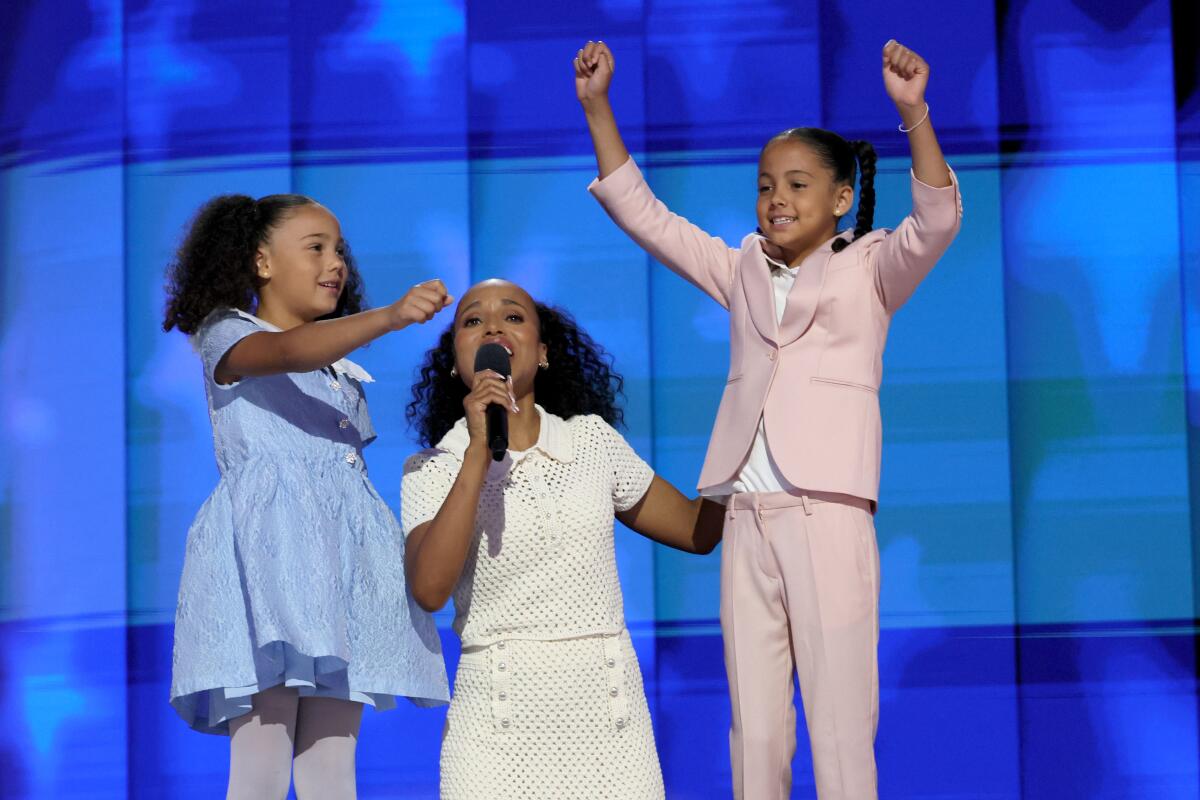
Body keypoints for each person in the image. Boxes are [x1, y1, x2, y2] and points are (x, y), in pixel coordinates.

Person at [574, 39, 962, 799]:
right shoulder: (743, 264)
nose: (775, 199)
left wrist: (913, 113)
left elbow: (938, 219)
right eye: (764, 186)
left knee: (840, 721)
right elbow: (649, 219)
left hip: (828, 511)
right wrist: (597, 108)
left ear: (842, 198)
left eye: (796, 184)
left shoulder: (874, 266)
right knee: (754, 727)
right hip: (745, 515)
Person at [162, 192, 451, 799]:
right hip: (271, 553)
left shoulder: (338, 367)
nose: (336, 261)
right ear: (262, 262)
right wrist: (392, 316)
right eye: (316, 247)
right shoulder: (229, 333)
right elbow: (287, 350)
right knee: (261, 769)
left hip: (340, 558)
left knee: (332, 772)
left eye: (339, 249)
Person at [401, 278, 725, 799]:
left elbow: (695, 529)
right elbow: (429, 589)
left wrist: (743, 435)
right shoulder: (432, 467)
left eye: (513, 316)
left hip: (610, 724)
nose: (492, 326)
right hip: (495, 730)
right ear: (455, 359)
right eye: (472, 320)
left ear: (544, 352)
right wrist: (478, 451)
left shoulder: (592, 442)